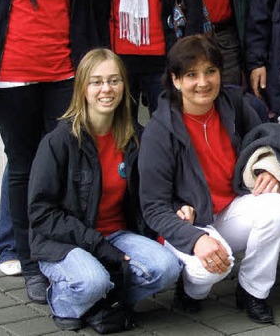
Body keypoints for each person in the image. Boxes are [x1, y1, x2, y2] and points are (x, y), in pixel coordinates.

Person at [138, 34, 280, 324]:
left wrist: (270, 167)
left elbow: (269, 139)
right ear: (175, 80)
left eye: (210, 71)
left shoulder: (232, 104)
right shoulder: (159, 131)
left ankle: (252, 291)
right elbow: (153, 208)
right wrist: (195, 238)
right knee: (211, 268)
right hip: (188, 220)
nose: (203, 82)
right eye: (191, 75)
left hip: (231, 210)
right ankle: (189, 291)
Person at [28, 49, 180, 331]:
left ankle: (103, 303)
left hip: (116, 235)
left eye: (114, 80)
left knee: (168, 267)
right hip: (63, 243)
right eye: (96, 82)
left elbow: (156, 189)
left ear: (124, 85)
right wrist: (98, 246)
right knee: (92, 282)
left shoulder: (135, 137)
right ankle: (68, 299)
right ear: (82, 88)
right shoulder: (59, 142)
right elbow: (41, 214)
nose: (106, 89)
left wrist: (180, 207)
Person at [0, 0, 93, 302]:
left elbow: (83, 15)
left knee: (61, 166)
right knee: (21, 167)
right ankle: (29, 259)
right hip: (12, 76)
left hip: (62, 75)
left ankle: (59, 251)